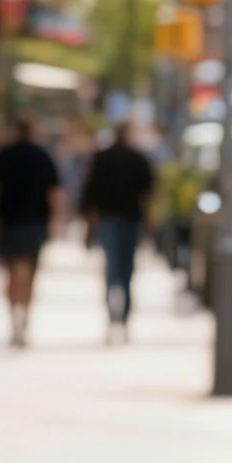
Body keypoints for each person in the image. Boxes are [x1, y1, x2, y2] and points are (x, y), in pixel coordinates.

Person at [0, 116, 64, 346]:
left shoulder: (2, 156)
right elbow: (55, 193)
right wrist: (55, 222)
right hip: (34, 223)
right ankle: (24, 318)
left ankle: (14, 319)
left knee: (10, 273)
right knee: (29, 274)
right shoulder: (42, 156)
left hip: (8, 222)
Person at [83, 120, 156, 339]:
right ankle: (122, 314)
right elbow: (148, 193)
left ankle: (113, 312)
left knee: (112, 266)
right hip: (130, 218)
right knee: (126, 268)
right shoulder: (138, 158)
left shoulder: (103, 157)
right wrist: (149, 221)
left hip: (110, 218)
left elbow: (90, 189)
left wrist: (90, 220)